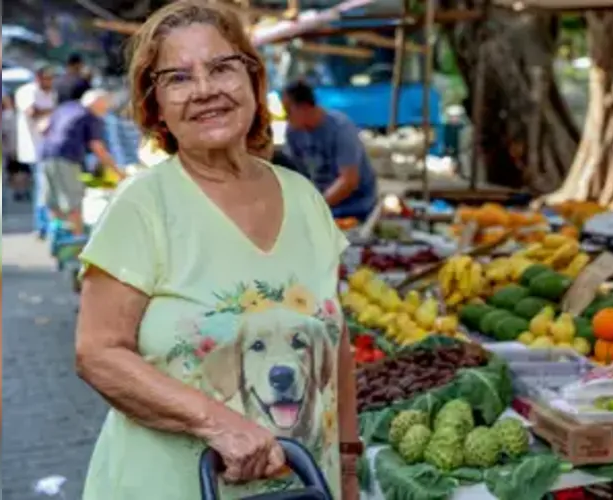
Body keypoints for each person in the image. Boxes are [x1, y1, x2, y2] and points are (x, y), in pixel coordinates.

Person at [74, 2, 361, 499]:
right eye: (178, 78)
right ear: (155, 104)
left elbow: (335, 345)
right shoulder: (144, 207)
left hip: (302, 487)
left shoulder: (305, 199)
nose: (205, 90)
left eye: (222, 67)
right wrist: (216, 423)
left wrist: (349, 471)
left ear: (253, 80)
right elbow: (97, 353)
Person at [281, 80, 378, 220]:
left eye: (288, 111)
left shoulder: (341, 129)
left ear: (303, 107)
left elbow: (349, 180)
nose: (286, 118)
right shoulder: (294, 133)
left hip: (355, 208)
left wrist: (315, 208)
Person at [39, 88, 121, 236]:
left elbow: (43, 127)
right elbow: (97, 147)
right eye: (105, 106)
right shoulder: (89, 116)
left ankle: (58, 237)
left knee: (53, 199)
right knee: (73, 200)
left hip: (46, 153)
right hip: (66, 156)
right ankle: (77, 240)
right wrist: (119, 172)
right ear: (97, 103)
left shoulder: (67, 107)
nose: (106, 110)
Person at [15, 64, 57, 211]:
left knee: (47, 187)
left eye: (51, 78)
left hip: (49, 146)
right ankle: (42, 224)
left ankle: (45, 223)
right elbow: (32, 112)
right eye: (46, 78)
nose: (50, 82)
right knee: (42, 187)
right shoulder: (27, 91)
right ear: (38, 78)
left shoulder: (52, 93)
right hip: (33, 145)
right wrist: (54, 111)